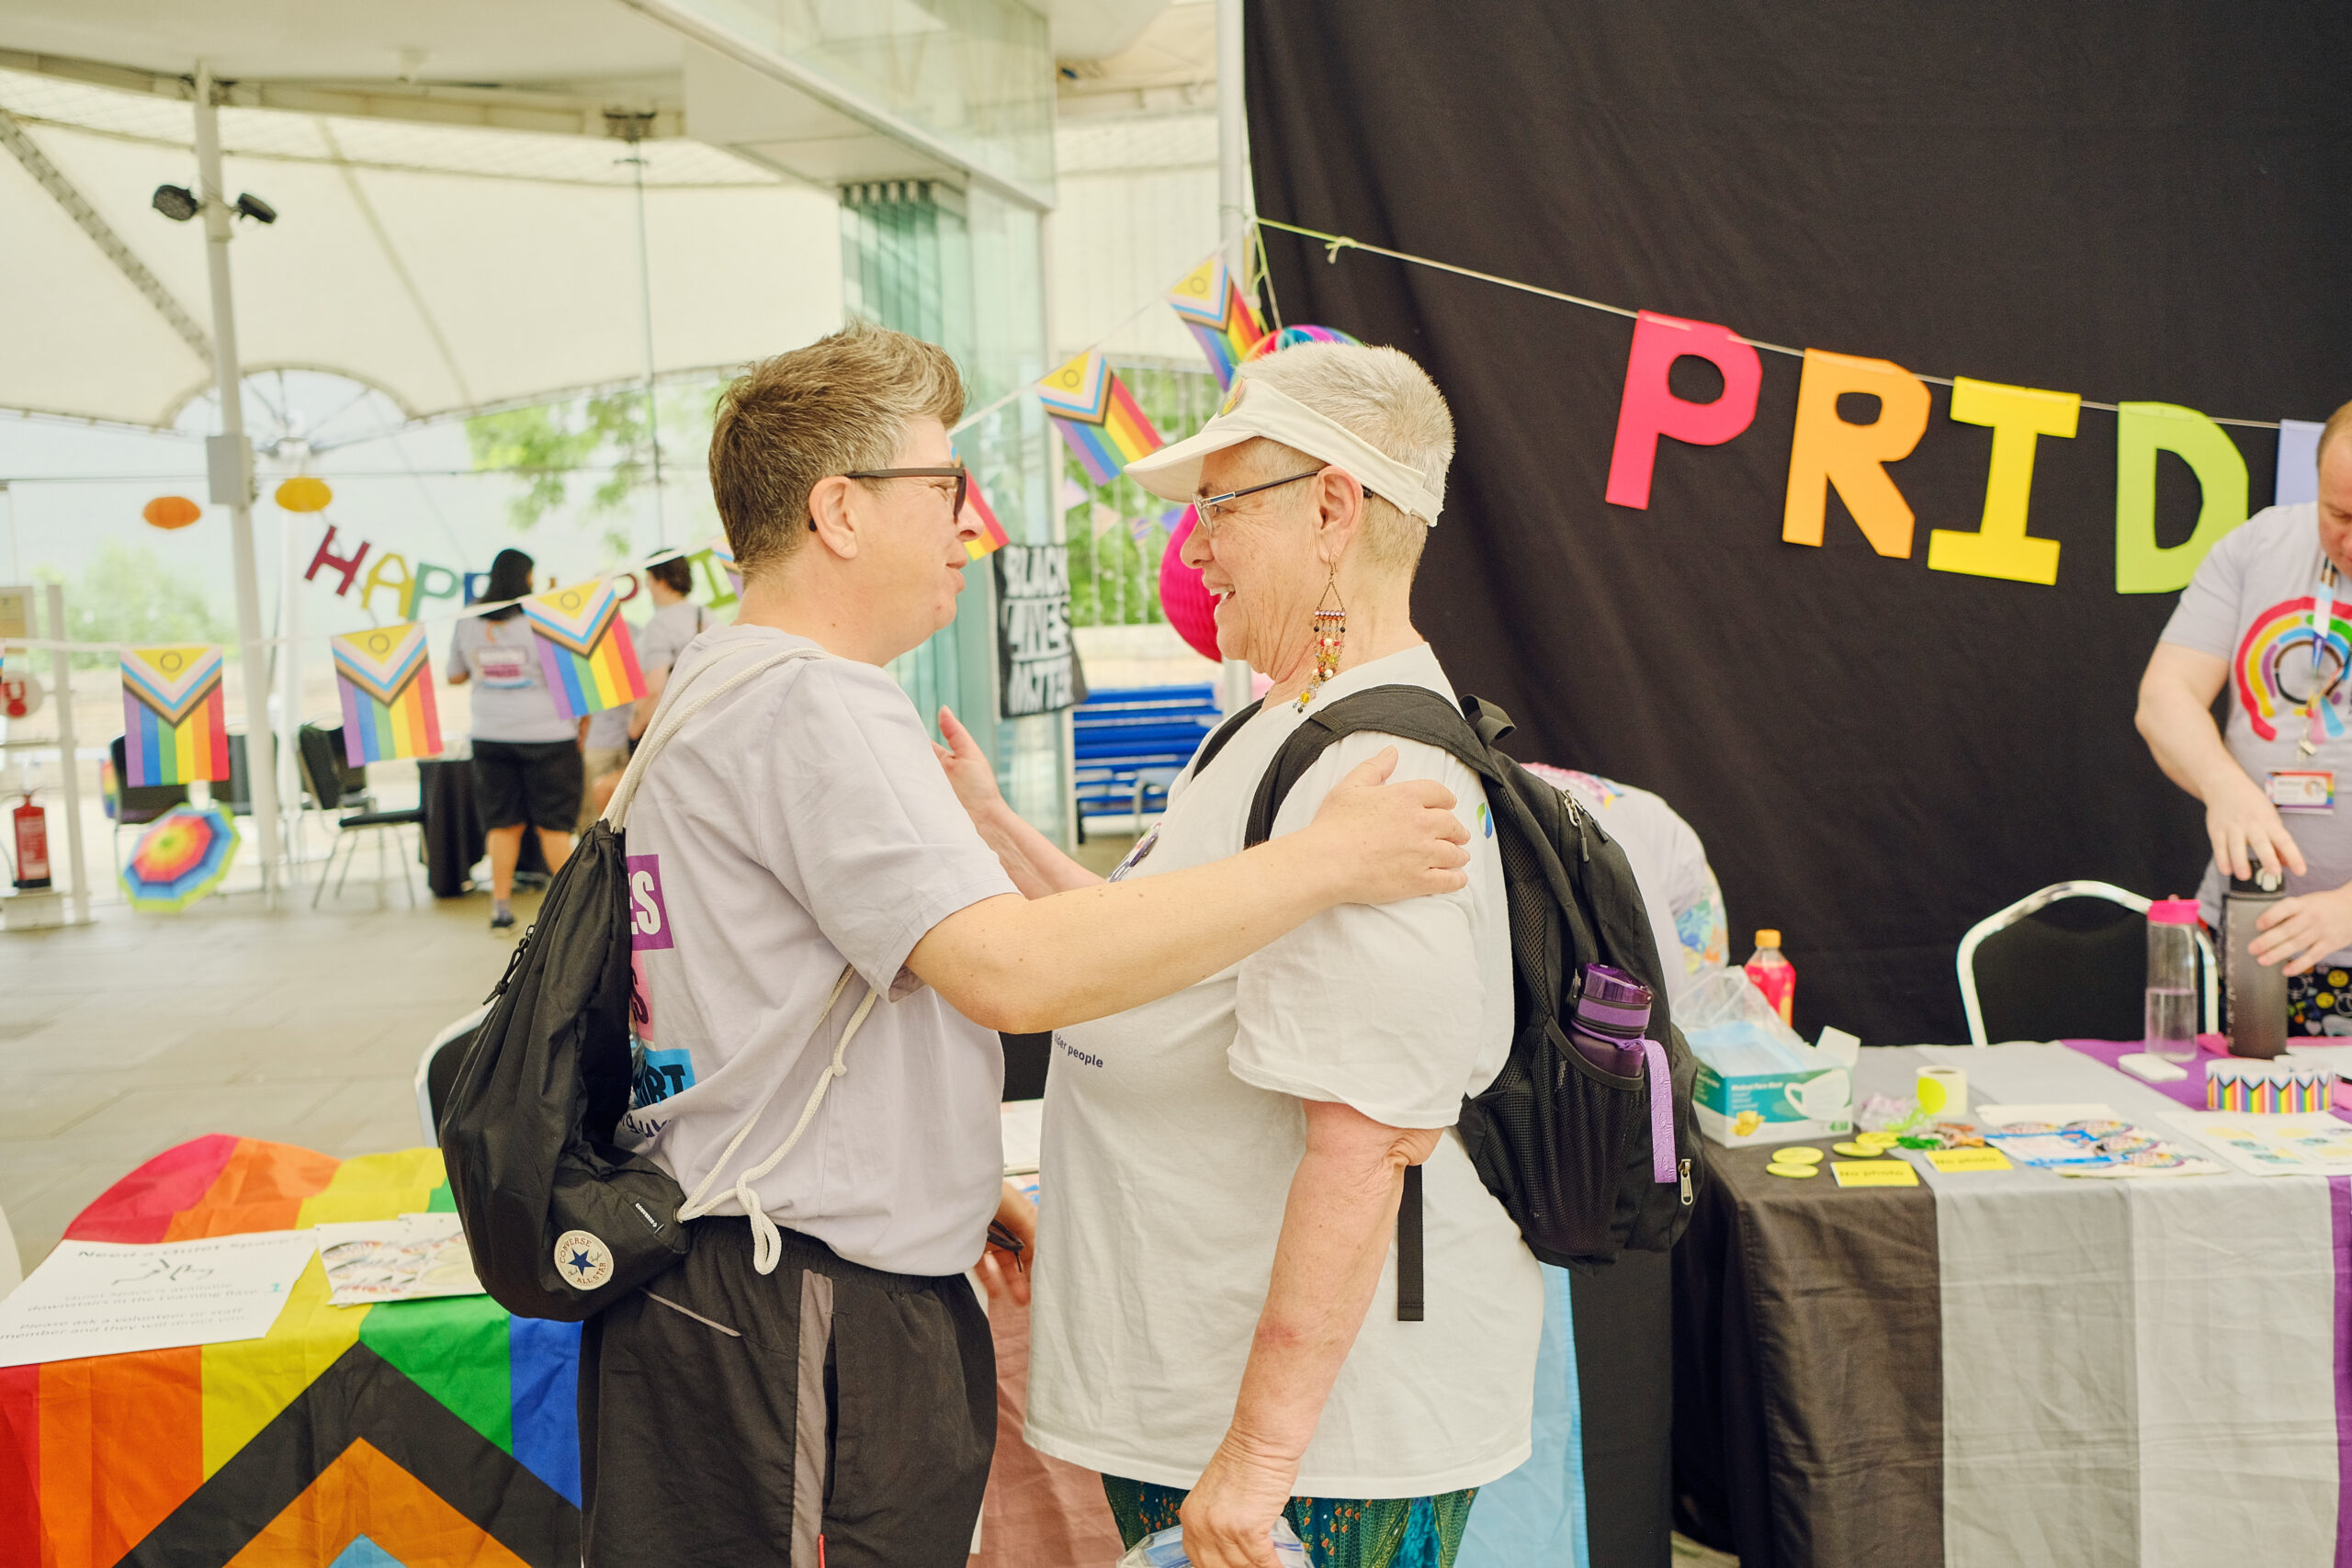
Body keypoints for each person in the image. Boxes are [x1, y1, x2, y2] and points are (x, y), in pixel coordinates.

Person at [583, 321, 1473, 1568]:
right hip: (801, 1297)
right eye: (943, 488)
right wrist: (1326, 858)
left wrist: (952, 1176)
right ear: (839, 511)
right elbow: (1013, 971)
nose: (969, 523)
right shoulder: (817, 700)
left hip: (756, 1274)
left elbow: (795, 1004)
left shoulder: (713, 685)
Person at [938, 343, 1543, 1568]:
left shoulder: (1376, 775)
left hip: (1314, 1450)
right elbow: (1150, 949)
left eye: (1219, 507)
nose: (1192, 547)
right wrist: (996, 824)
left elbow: (1368, 1140)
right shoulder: (1272, 726)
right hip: (1195, 1398)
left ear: (1333, 509)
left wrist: (1256, 1467)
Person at [2138, 400, 2352, 1033]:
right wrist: (2223, 784)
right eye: (2338, 514)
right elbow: (2165, 696)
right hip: (2252, 939)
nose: (2350, 540)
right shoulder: (2260, 544)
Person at [446, 547, 580, 930]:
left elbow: (454, 674)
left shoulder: (468, 616)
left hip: (490, 734)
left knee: (502, 823)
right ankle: (574, 907)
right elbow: (568, 677)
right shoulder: (540, 617)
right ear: (525, 578)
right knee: (554, 826)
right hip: (548, 735)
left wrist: (488, 662)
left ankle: (501, 907)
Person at [1522, 763, 1730, 1000]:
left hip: (1672, 865)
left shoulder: (1620, 857)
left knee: (1675, 1011)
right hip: (1583, 825)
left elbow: (1656, 980)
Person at [581, 555, 711, 824]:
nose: (648, 588)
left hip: (659, 732)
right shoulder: (706, 616)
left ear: (661, 581)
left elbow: (654, 688)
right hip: (699, 729)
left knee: (616, 809)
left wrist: (635, 726)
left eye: (649, 580)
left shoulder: (658, 624)